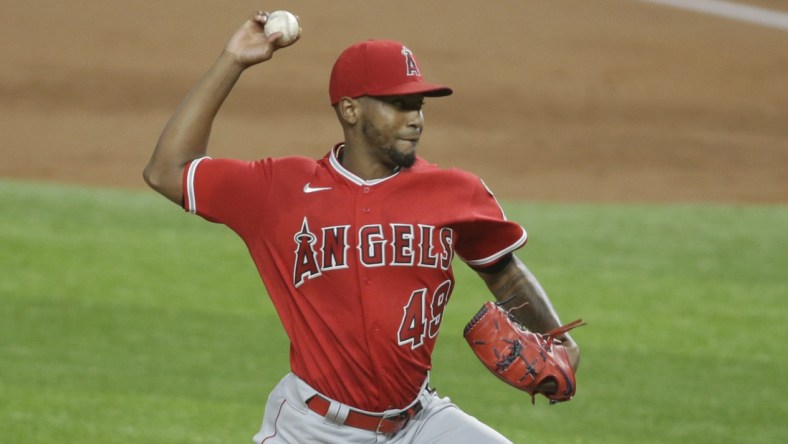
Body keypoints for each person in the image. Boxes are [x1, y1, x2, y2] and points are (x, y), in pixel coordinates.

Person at [143, 10, 580, 444]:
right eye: (398, 104)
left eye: (418, 105)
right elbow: (167, 170)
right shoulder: (279, 189)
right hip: (311, 429)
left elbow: (503, 271)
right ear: (350, 110)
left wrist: (558, 339)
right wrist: (232, 60)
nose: (416, 118)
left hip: (419, 422)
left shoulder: (455, 192)